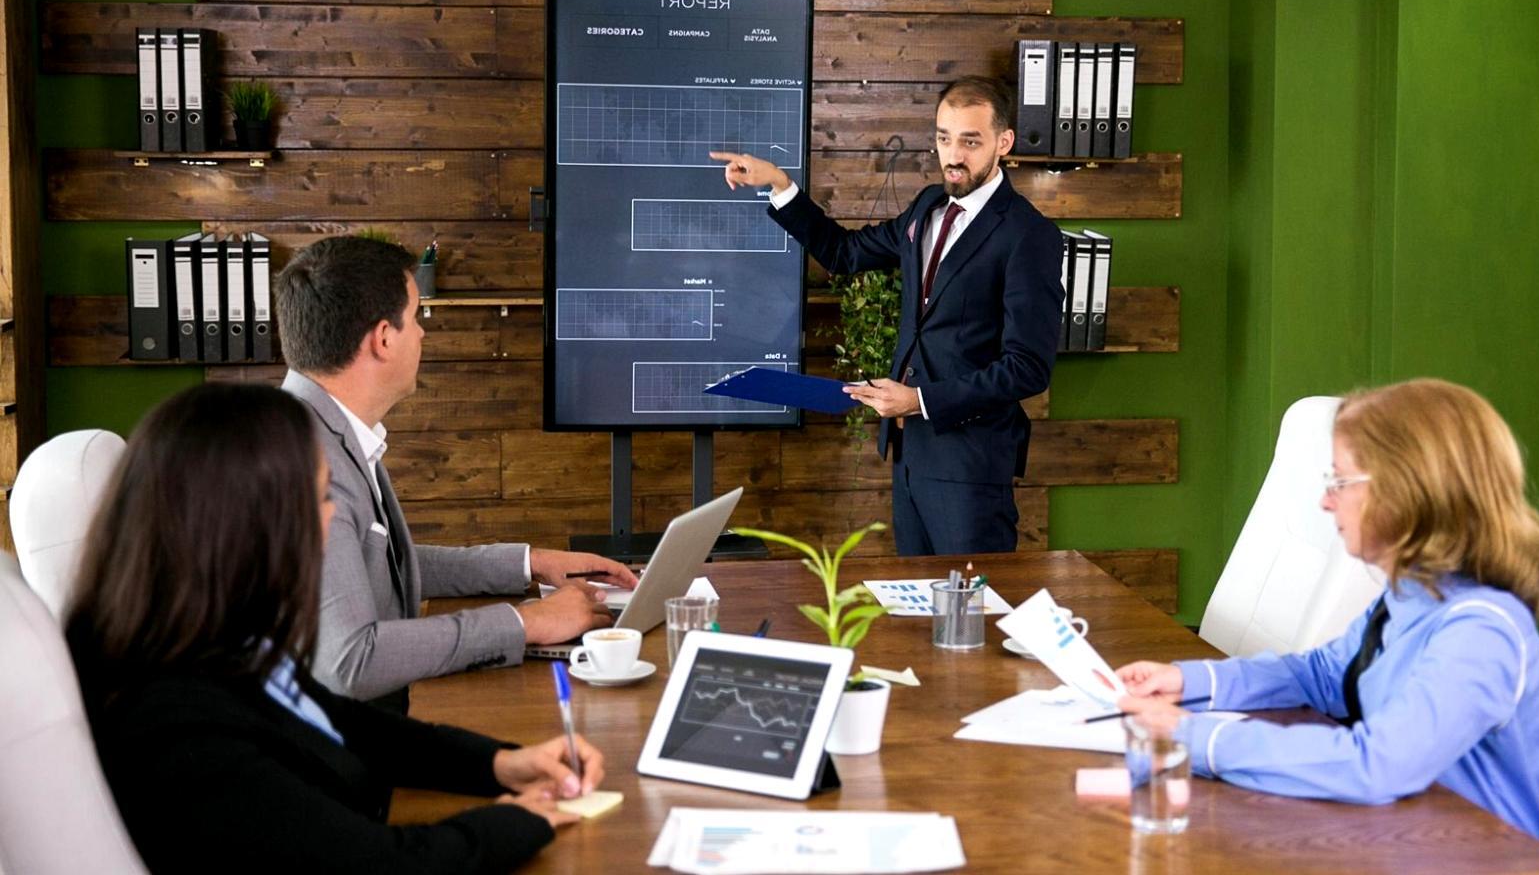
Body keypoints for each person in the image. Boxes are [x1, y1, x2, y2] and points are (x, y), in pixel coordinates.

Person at [63, 383, 603, 874]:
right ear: (250, 522)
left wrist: (501, 763)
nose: (331, 520)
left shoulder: (212, 643)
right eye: (321, 497)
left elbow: (343, 723)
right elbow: (379, 864)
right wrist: (524, 820)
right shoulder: (178, 724)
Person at [1116, 378, 1539, 843]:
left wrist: (1196, 738)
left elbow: (1378, 765)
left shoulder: (1480, 631)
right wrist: (1188, 682)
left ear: (1407, 489)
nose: (1325, 500)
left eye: (1340, 481)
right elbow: (1323, 675)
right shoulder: (1410, 593)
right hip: (1409, 839)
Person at [275, 236, 639, 710]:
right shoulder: (304, 460)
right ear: (384, 339)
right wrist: (526, 622)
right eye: (417, 317)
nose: (424, 334)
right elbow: (352, 662)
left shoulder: (313, 427)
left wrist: (530, 564)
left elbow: (381, 566)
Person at [710, 76, 1063, 556]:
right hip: (909, 456)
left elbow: (1028, 367)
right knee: (918, 613)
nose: (953, 155)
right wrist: (780, 184)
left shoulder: (1028, 235)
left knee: (972, 615)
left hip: (971, 465)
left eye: (970, 141)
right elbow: (845, 253)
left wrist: (918, 400)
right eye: (943, 138)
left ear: (1003, 143)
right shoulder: (927, 207)